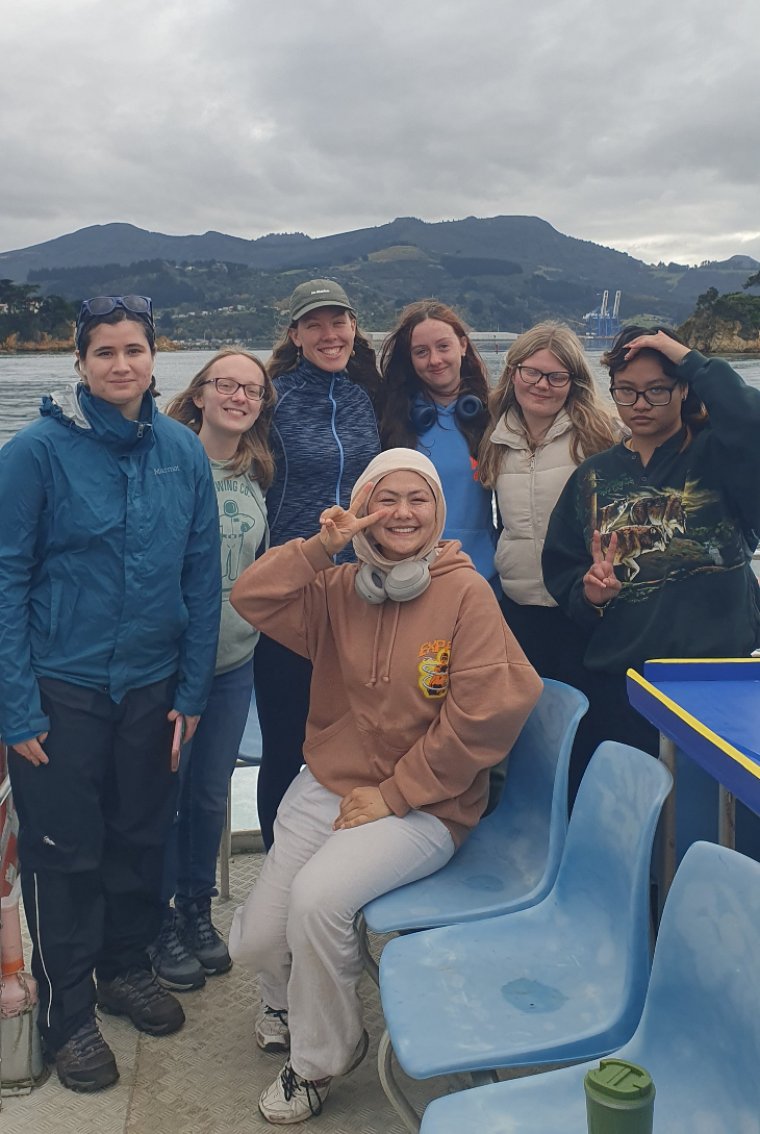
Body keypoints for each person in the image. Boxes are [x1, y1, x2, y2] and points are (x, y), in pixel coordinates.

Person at [227, 447, 542, 1125]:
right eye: (386, 498)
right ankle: (286, 999)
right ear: (364, 508)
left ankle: (319, 1059)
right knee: (254, 942)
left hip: (428, 804)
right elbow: (252, 594)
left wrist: (396, 794)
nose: (402, 512)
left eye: (418, 499)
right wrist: (319, 548)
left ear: (439, 510)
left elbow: (491, 711)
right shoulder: (342, 590)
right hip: (330, 786)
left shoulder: (465, 593)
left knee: (318, 902)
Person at [0, 296, 221, 1092]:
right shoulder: (35, 454)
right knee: (65, 855)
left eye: (134, 350)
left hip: (153, 688)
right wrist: (15, 703)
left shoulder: (182, 452)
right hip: (64, 688)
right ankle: (68, 1017)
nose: (121, 365)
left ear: (156, 360)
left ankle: (125, 970)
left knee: (139, 836)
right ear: (81, 362)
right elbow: (5, 577)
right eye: (104, 352)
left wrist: (192, 689)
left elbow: (202, 574)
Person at [542, 325, 760, 760]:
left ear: (683, 390)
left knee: (716, 816)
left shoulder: (722, 457)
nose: (640, 405)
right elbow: (562, 566)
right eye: (626, 391)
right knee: (628, 817)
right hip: (621, 682)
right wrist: (590, 595)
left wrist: (690, 358)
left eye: (657, 390)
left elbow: (751, 418)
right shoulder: (593, 475)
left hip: (715, 678)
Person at [147, 350, 273, 991]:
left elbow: (261, 567)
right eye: (226, 384)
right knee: (165, 793)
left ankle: (196, 908)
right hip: (171, 666)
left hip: (233, 663)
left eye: (252, 389)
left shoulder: (255, 473)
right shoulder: (165, 463)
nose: (239, 397)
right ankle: (157, 918)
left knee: (207, 793)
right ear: (199, 394)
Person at [254, 278, 382, 848]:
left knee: (356, 736)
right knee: (286, 740)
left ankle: (340, 861)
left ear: (354, 329)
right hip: (294, 587)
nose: (329, 334)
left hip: (358, 590)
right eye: (315, 324)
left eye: (339, 322)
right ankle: (279, 871)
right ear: (295, 335)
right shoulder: (272, 397)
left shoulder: (362, 399)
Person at [477, 322, 619, 797]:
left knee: (586, 732)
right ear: (512, 373)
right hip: (518, 607)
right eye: (531, 372)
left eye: (556, 377)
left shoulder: (599, 436)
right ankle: (532, 840)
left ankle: (583, 838)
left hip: (582, 609)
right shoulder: (495, 439)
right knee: (528, 735)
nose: (541, 385)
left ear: (574, 383)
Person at [377, 300, 497, 583]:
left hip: (482, 577)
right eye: (421, 352)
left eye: (443, 347)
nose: (434, 360)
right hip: (411, 577)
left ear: (463, 346)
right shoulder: (390, 420)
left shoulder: (493, 417)